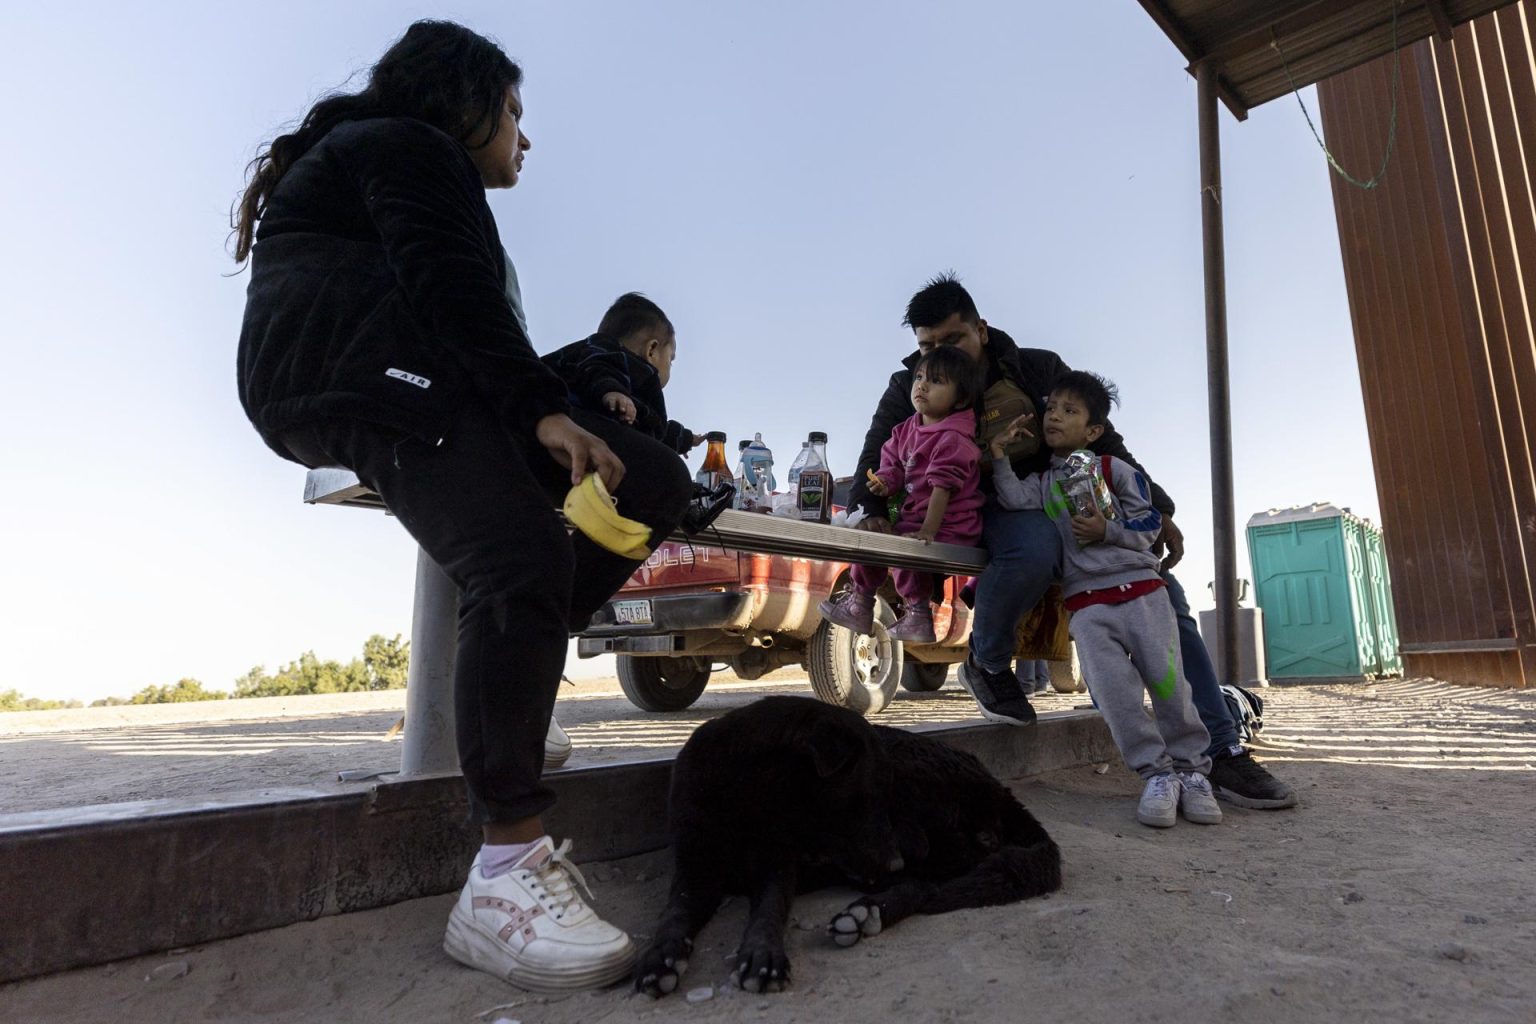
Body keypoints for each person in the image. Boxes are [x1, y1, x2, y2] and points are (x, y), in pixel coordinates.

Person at [233, 21, 691, 991]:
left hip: (417, 368)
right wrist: (539, 412)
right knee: (522, 552)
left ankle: (511, 687)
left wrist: (577, 395)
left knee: (650, 478)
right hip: (350, 377)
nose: (524, 137)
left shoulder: (416, 161)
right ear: (465, 98)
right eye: (515, 111)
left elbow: (474, 316)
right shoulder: (406, 144)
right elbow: (447, 293)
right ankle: (503, 874)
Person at [849, 274, 1296, 809]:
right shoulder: (909, 386)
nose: (939, 357)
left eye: (952, 341)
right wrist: (872, 509)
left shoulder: (1036, 368)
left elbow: (1103, 436)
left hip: (1063, 501)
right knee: (1033, 545)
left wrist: (1159, 508)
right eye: (926, 347)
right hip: (972, 509)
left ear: (981, 330)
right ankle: (987, 662)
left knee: (1163, 596)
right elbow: (876, 449)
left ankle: (1221, 750)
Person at [990, 371, 1221, 827]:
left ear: (1093, 431)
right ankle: (1157, 775)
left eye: (1069, 411)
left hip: (1143, 594)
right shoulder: (1042, 482)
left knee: (1170, 686)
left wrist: (1107, 530)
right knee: (1116, 696)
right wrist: (998, 454)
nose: (1054, 415)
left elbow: (1148, 526)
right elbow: (1014, 499)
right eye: (1051, 407)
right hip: (1088, 605)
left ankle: (1194, 773)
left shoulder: (1116, 471)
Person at [818, 345, 985, 642]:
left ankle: (918, 615)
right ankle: (861, 601)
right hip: (918, 519)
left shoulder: (954, 437)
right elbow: (893, 463)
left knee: (904, 548)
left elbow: (942, 488)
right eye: (919, 376)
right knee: (871, 541)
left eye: (936, 381)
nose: (921, 385)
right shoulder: (907, 428)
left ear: (960, 398)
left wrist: (927, 532)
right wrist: (885, 481)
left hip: (950, 526)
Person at [543, 292, 703, 455]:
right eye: (671, 359)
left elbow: (653, 428)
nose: (670, 366)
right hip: (580, 427)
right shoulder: (605, 353)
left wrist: (685, 439)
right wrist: (611, 390)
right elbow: (597, 368)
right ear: (652, 351)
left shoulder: (634, 397)